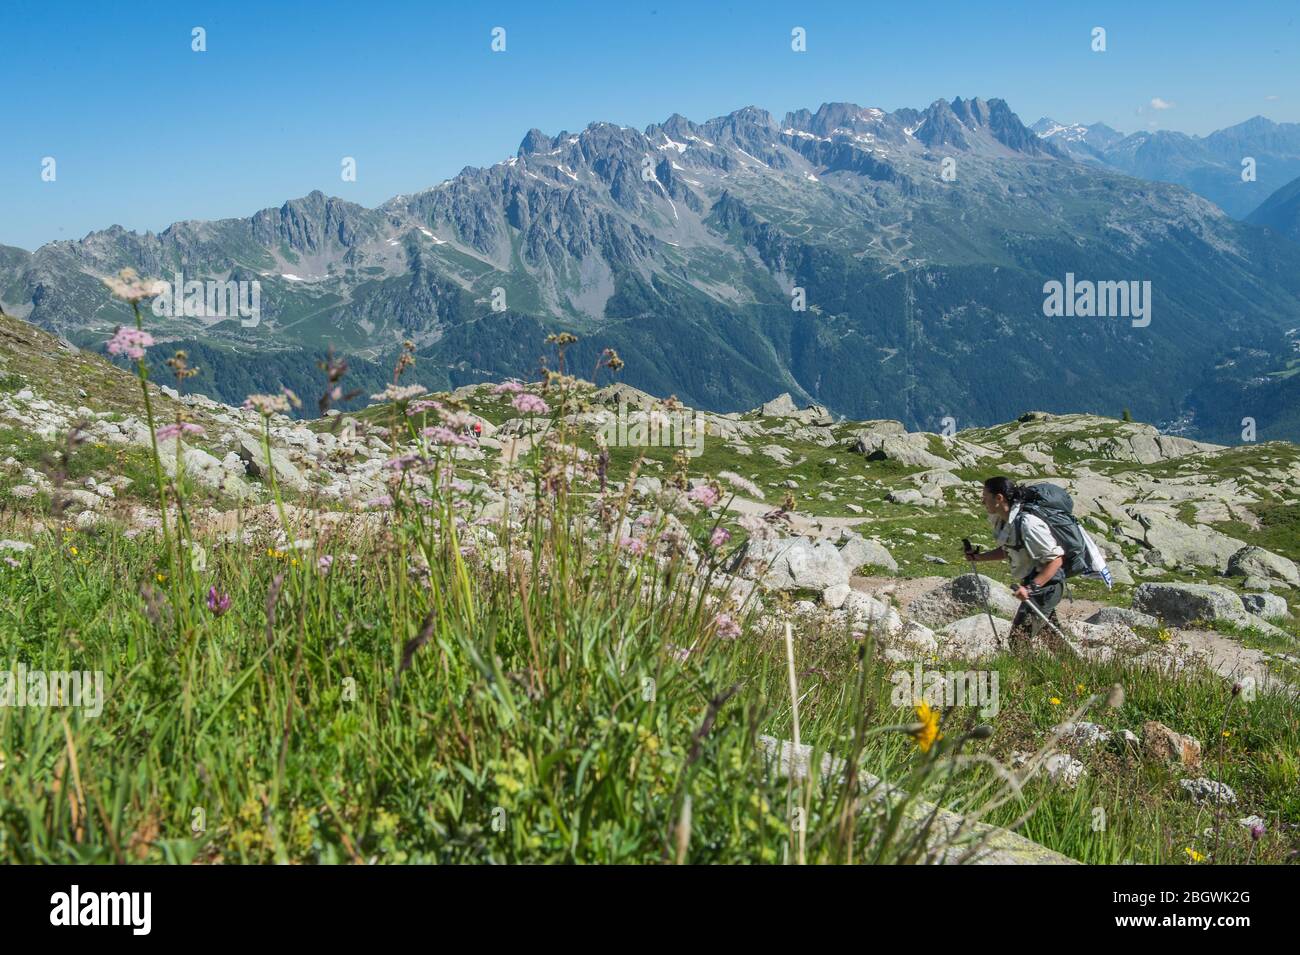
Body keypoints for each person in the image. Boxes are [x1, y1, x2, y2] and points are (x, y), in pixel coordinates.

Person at [965, 476, 1072, 655]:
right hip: (1037, 584)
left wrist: (1031, 588)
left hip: (1047, 586)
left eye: (985, 496)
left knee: (1018, 639)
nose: (982, 500)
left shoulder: (1029, 524)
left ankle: (1031, 679)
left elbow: (1056, 560)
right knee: (1051, 636)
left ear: (999, 498)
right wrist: (979, 557)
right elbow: (1009, 550)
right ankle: (1073, 672)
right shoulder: (1006, 522)